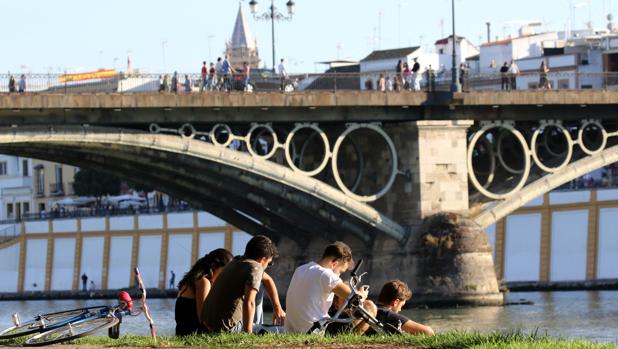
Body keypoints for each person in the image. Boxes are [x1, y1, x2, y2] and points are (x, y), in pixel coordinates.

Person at [285, 241, 376, 334]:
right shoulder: (326, 274)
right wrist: (362, 294)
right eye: (341, 272)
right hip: (312, 332)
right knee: (369, 307)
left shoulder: (301, 269)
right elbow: (355, 298)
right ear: (334, 263)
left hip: (290, 331)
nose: (339, 276)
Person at [202, 235, 279, 334]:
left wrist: (278, 309)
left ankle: (256, 325)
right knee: (282, 330)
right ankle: (256, 326)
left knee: (259, 282)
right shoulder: (256, 268)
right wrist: (248, 334)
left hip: (207, 325)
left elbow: (268, 280)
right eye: (269, 263)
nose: (268, 267)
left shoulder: (237, 261)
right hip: (227, 329)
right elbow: (249, 302)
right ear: (262, 260)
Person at [175, 249, 233, 336]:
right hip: (193, 335)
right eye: (225, 271)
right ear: (213, 266)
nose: (226, 276)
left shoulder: (195, 280)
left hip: (184, 334)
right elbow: (204, 319)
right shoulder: (203, 282)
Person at [367, 280, 434, 336]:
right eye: (401, 306)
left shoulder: (368, 310)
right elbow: (428, 332)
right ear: (396, 302)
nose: (400, 309)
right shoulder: (387, 314)